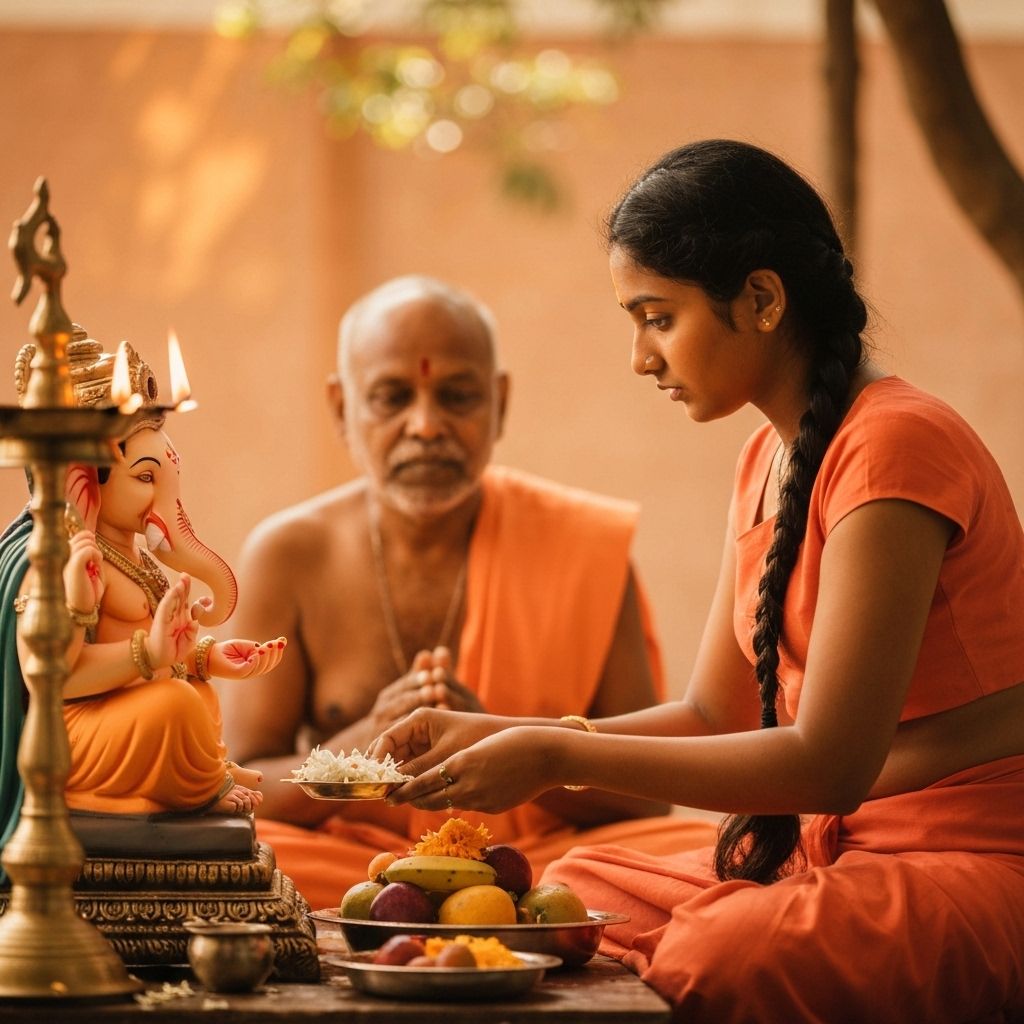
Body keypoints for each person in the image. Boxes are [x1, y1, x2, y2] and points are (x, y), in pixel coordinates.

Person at [371, 141, 1024, 1023]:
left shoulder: (896, 445)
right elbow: (713, 716)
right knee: (577, 887)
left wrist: (556, 758)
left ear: (760, 299)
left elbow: (830, 765)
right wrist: (504, 732)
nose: (642, 358)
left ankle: (750, 921)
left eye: (657, 318)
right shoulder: (768, 454)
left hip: (964, 860)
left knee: (722, 950)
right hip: (825, 856)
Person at [219, 275, 719, 910]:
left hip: (536, 861)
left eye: (457, 397)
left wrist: (520, 751)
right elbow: (246, 788)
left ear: (500, 402)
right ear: (342, 407)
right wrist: (368, 741)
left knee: (693, 848)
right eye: (392, 397)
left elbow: (647, 796)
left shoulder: (583, 545)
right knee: (236, 856)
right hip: (359, 862)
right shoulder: (289, 554)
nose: (426, 426)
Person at [1, 336, 286, 870]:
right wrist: (144, 652)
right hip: (63, 740)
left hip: (119, 715)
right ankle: (201, 783)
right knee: (173, 705)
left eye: (166, 478)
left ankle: (200, 771)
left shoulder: (124, 550)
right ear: (84, 479)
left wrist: (205, 657)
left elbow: (160, 653)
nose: (161, 499)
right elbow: (53, 675)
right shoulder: (56, 555)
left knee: (191, 694)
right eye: (145, 478)